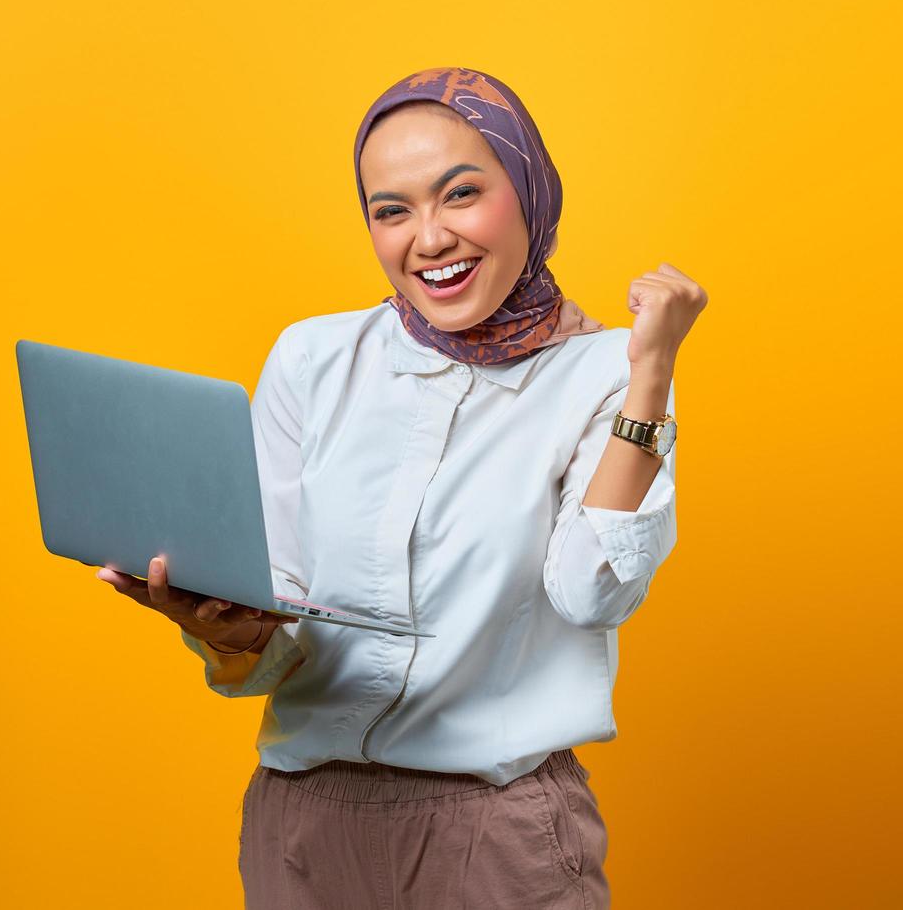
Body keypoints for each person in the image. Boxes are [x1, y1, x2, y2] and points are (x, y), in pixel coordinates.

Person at [95, 66, 708, 909]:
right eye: (392, 210)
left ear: (528, 189)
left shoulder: (607, 373)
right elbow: (282, 632)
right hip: (303, 827)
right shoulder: (312, 360)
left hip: (496, 838)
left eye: (461, 194)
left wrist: (652, 374)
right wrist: (225, 631)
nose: (429, 239)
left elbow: (593, 592)